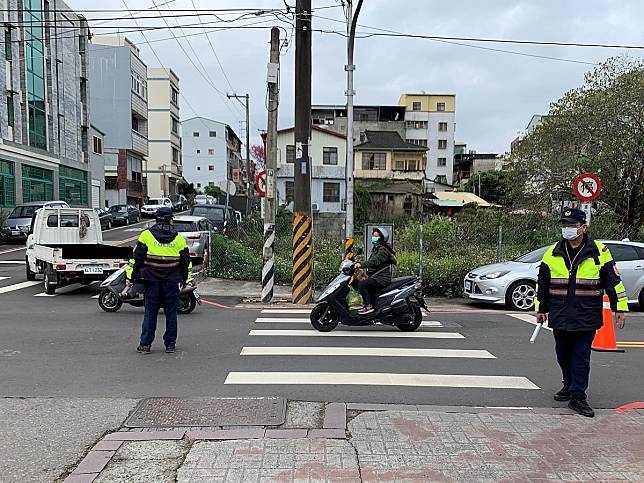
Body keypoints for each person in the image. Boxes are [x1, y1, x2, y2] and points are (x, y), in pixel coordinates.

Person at [535, 207, 628, 417]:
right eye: (564, 225)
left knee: (581, 356)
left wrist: (619, 308)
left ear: (583, 228)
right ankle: (568, 384)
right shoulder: (552, 252)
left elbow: (613, 282)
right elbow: (542, 283)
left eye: (571, 225)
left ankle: (578, 396)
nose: (567, 229)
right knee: (562, 354)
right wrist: (541, 308)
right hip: (559, 313)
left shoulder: (599, 252)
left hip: (586, 314)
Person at [131, 207, 190, 354]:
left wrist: (133, 276)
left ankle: (145, 345)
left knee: (150, 313)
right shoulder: (179, 239)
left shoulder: (146, 236)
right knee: (171, 313)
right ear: (170, 220)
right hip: (171, 282)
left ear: (156, 219)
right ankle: (170, 344)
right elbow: (185, 262)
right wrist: (184, 280)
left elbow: (137, 258)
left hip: (151, 281)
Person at [353, 227, 396, 314]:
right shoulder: (377, 248)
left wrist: (361, 264)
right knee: (356, 282)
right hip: (376, 276)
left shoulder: (384, 250)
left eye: (376, 236)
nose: (374, 238)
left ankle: (368, 306)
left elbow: (374, 261)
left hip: (381, 279)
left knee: (362, 284)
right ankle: (371, 302)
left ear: (381, 238)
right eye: (373, 236)